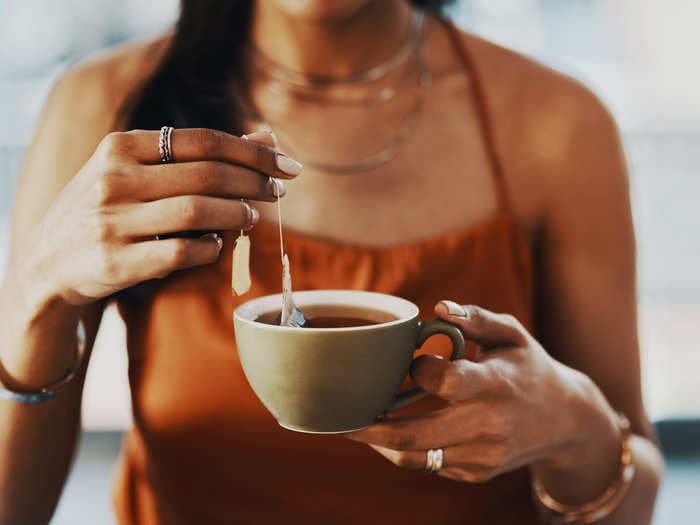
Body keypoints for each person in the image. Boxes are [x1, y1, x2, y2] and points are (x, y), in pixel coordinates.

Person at [0, 1, 663, 524]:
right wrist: (37, 295)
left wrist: (575, 427)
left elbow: (632, 500)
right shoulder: (104, 112)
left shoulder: (558, 126)